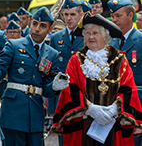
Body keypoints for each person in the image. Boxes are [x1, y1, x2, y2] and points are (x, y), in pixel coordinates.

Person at [50, 13, 142, 146]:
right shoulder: (76, 60)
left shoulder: (120, 59)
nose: (90, 37)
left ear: (105, 36)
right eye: (87, 33)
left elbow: (129, 89)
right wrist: (91, 108)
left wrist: (114, 109)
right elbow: (70, 89)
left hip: (114, 124)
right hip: (83, 124)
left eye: (95, 33)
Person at [0, 6, 69, 146]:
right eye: (34, 23)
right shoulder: (13, 45)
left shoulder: (52, 54)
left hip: (35, 114)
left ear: (50, 29)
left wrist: (54, 86)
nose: (36, 29)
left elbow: (46, 90)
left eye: (42, 26)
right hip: (13, 112)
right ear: (30, 23)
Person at [107, 0, 142, 146]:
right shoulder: (109, 43)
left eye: (118, 16)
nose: (114, 20)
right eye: (113, 16)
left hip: (137, 106)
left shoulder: (140, 40)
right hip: (112, 108)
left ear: (130, 16)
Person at [49, 0, 84, 145]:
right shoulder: (56, 38)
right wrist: (52, 105)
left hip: (83, 97)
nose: (69, 18)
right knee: (64, 137)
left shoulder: (89, 35)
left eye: (73, 14)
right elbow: (51, 72)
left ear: (80, 15)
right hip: (62, 97)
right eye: (66, 14)